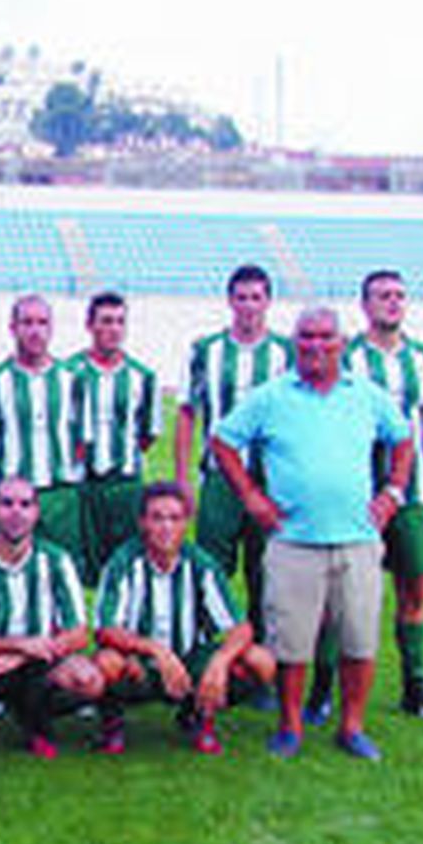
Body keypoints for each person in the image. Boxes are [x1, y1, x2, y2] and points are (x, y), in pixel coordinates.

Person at [212, 305, 414, 762]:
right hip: (293, 541)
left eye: (326, 336)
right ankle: (290, 725)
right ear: (294, 342)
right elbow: (223, 442)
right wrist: (252, 497)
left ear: (341, 343)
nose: (316, 345)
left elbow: (402, 440)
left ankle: (352, 727)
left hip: (358, 540)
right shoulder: (271, 396)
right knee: (292, 643)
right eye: (306, 336)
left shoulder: (366, 394)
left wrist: (393, 494)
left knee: (359, 640)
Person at [317, 269, 423, 726]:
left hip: (413, 496)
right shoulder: (348, 358)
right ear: (365, 305)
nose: (393, 302)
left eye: (399, 295)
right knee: (336, 599)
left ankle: (415, 690)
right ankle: (322, 693)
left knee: (413, 591)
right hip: (356, 497)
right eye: (383, 295)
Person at [93, 482, 277, 755]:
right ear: (142, 522)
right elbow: (105, 631)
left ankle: (199, 714)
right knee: (106, 662)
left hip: (190, 658)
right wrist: (156, 651)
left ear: (185, 523)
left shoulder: (200, 564)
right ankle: (113, 721)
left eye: (174, 518)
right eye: (157, 518)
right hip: (141, 662)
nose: (166, 527)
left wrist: (219, 663)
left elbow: (241, 628)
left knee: (261, 662)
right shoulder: (123, 563)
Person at [0, 477, 104, 765]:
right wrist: (18, 645)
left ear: (37, 513)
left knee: (88, 680)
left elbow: (79, 634)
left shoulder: (56, 560)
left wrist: (20, 656)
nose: (16, 512)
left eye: (25, 504)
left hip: (36, 663)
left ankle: (35, 719)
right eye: (7, 504)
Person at [173, 265, 294, 643]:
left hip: (267, 481)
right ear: (230, 301)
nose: (248, 306)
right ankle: (205, 652)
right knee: (211, 570)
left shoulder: (284, 353)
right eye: (241, 297)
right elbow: (187, 413)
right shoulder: (205, 350)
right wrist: (181, 481)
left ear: (268, 302)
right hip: (219, 480)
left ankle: (261, 658)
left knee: (266, 572)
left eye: (256, 297)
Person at [0, 294, 84, 560]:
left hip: (58, 495)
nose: (35, 331)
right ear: (13, 328)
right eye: (27, 323)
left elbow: (82, 437)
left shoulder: (70, 379)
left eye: (42, 323)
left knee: (59, 573)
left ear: (51, 329)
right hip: (8, 495)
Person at [68, 291, 160, 586]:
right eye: (106, 321)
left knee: (127, 570)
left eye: (120, 322)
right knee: (83, 571)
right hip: (85, 485)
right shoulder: (69, 372)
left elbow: (148, 433)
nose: (113, 329)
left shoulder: (142, 376)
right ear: (90, 325)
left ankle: (120, 629)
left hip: (126, 486)